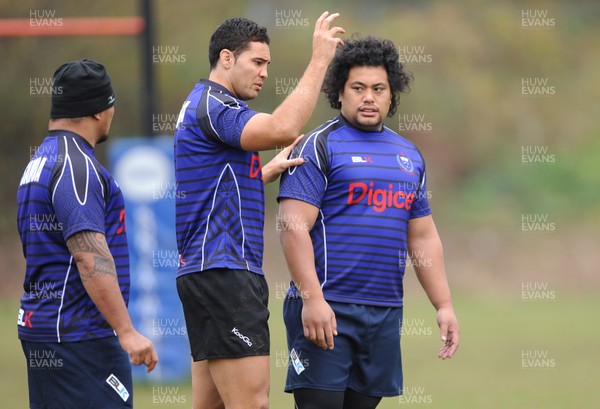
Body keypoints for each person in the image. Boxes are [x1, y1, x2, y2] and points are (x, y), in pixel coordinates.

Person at [277, 36, 460, 409]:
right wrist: (313, 300)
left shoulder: (409, 156)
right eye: (358, 88)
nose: (369, 97)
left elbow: (422, 237)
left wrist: (443, 304)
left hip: (383, 314)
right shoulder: (318, 146)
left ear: (392, 95)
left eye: (379, 89)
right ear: (339, 93)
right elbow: (292, 226)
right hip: (327, 307)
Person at [173, 12, 344, 409]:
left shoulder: (201, 103)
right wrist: (320, 59)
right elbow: (283, 128)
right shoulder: (215, 105)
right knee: (253, 404)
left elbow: (208, 179)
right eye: (258, 62)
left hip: (207, 272)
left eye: (268, 64)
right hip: (225, 273)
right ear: (227, 58)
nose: (265, 73)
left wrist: (260, 173)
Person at [17, 59, 158, 409]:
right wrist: (126, 330)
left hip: (45, 330)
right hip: (78, 336)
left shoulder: (40, 161)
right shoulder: (77, 166)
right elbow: (88, 254)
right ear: (99, 109)